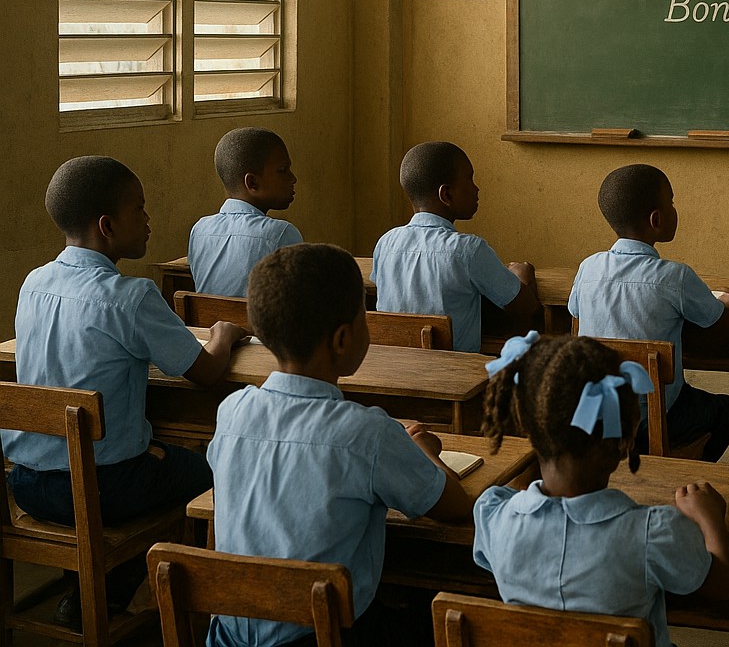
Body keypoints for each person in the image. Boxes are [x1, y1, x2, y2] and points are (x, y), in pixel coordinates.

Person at [4, 156, 248, 628]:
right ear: (107, 226)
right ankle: (194, 605)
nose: (149, 219)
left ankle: (95, 593)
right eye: (140, 208)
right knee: (220, 468)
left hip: (27, 484)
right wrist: (225, 333)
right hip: (104, 488)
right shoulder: (130, 296)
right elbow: (206, 373)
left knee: (157, 454)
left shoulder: (33, 283)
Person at [206, 242, 471, 647]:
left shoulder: (231, 413)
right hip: (321, 635)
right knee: (441, 615)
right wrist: (427, 453)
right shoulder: (367, 434)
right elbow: (453, 506)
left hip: (227, 635)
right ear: (343, 339)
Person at [473, 333, 729, 647]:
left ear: (527, 426)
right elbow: (725, 585)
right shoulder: (654, 532)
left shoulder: (494, 517)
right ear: (625, 441)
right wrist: (710, 519)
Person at [568, 163, 729, 462]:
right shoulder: (674, 277)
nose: (676, 209)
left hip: (598, 417)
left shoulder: (588, 268)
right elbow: (716, 320)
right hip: (656, 419)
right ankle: (682, 468)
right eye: (672, 202)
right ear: (656, 219)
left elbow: (575, 310)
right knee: (727, 410)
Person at [372, 141, 540, 353]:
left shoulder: (385, 243)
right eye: (469, 179)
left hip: (394, 369)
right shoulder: (468, 250)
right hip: (453, 375)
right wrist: (522, 275)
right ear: (446, 195)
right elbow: (524, 307)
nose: (476, 188)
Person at [188, 127, 302, 297]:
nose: (293, 179)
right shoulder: (281, 235)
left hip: (209, 324)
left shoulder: (199, 230)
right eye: (282, 170)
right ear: (252, 183)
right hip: (258, 325)